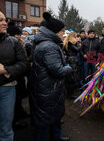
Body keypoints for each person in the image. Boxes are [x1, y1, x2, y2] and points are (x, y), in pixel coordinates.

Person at [30, 12, 72, 141]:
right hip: (47, 90)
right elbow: (58, 71)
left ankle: (56, 136)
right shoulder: (49, 47)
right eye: (62, 31)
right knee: (44, 121)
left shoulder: (46, 43)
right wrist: (68, 67)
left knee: (52, 116)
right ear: (54, 31)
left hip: (47, 88)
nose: (63, 34)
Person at [0, 11, 28, 141]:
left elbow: (23, 64)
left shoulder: (13, 42)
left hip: (7, 89)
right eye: (0, 20)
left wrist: (5, 70)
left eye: (4, 20)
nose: (5, 23)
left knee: (6, 128)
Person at [7, 22, 30, 128]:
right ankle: (14, 121)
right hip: (11, 78)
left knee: (18, 98)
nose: (19, 36)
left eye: (19, 34)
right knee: (13, 102)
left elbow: (22, 60)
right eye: (16, 35)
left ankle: (19, 116)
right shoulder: (8, 46)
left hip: (19, 77)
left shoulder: (20, 44)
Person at [63, 32, 81, 98]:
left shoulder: (66, 43)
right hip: (72, 61)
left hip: (69, 60)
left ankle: (69, 93)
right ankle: (70, 94)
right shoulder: (70, 43)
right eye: (75, 37)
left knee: (70, 77)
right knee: (72, 77)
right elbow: (77, 49)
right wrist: (78, 44)